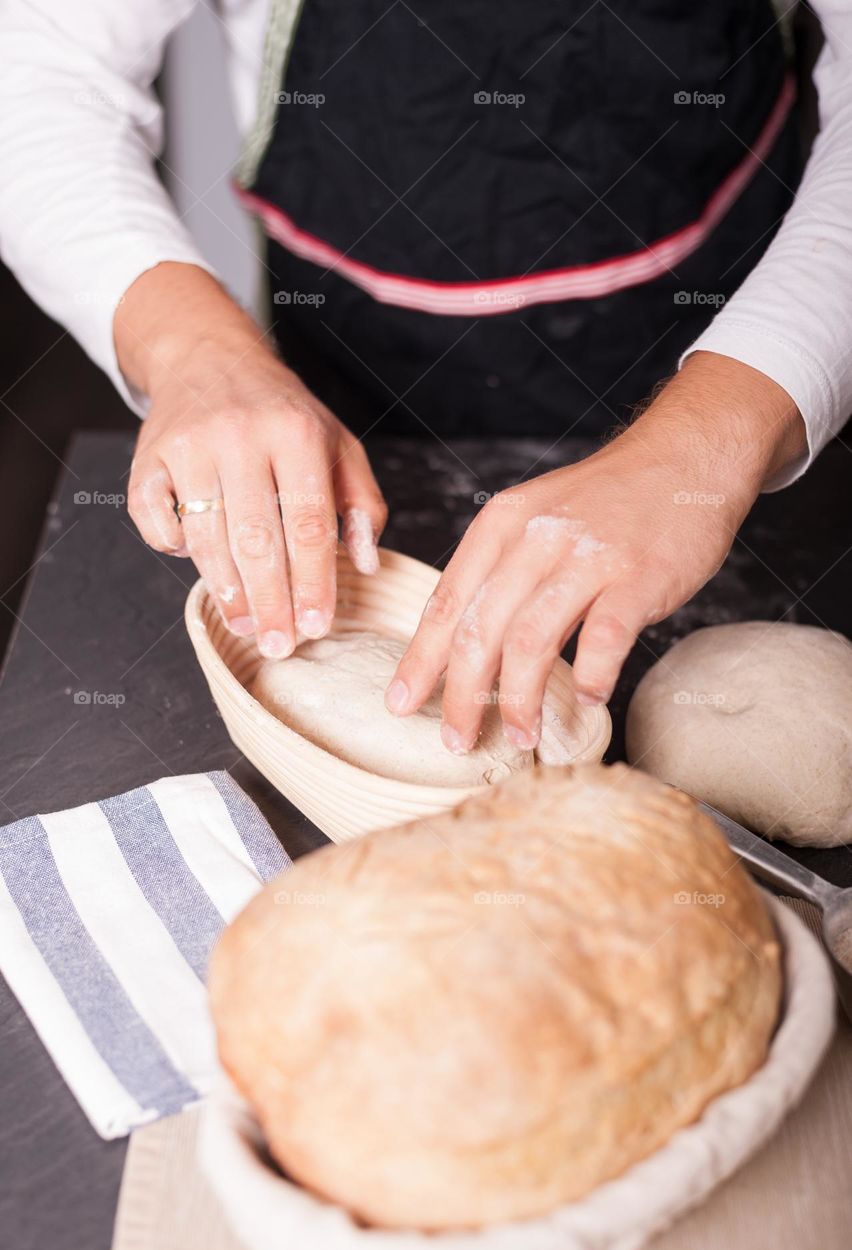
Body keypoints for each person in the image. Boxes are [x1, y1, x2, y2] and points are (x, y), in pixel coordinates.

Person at [1, 1, 850, 759]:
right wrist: (194, 351)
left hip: (757, 365)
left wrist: (713, 441)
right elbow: (39, 63)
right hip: (345, 393)